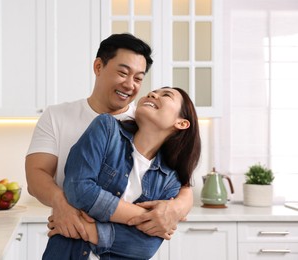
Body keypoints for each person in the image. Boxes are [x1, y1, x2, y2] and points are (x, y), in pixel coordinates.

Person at [25, 33, 193, 244]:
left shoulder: (146, 121)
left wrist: (176, 208)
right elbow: (36, 175)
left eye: (139, 79)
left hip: (124, 245)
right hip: (69, 239)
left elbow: (181, 182)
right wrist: (61, 203)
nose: (130, 85)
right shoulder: (57, 115)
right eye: (123, 73)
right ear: (98, 67)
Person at [42, 87, 201, 259]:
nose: (152, 94)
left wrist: (89, 229)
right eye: (152, 92)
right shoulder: (106, 128)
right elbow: (78, 189)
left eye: (166, 95)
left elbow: (145, 247)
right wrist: (147, 217)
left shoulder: (170, 179)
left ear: (181, 123)